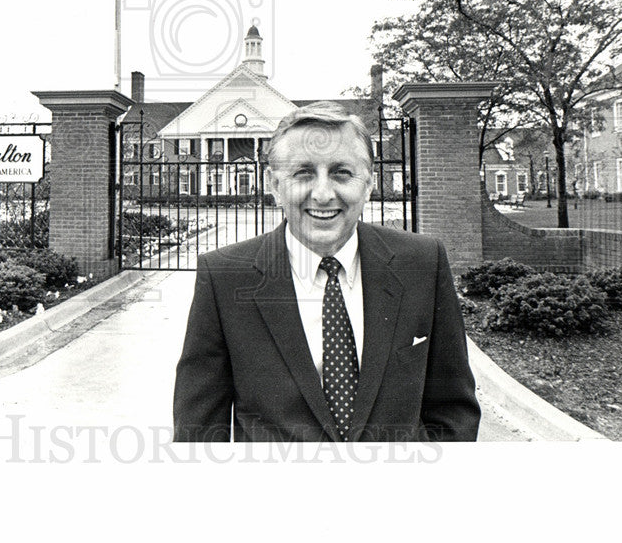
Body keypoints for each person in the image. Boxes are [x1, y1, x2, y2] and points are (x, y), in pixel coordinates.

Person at [173, 102, 480, 442]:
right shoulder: (224, 277)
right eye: (303, 173)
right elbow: (198, 435)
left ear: (368, 183)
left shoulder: (422, 263)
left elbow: (454, 410)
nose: (322, 194)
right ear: (274, 185)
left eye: (341, 173)